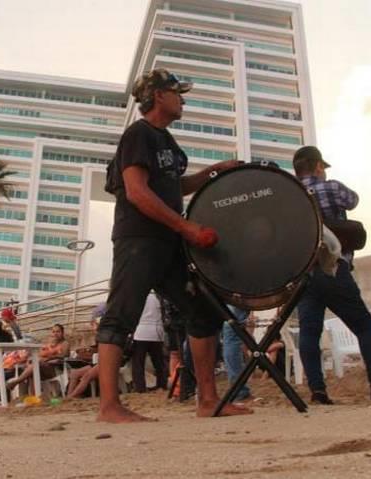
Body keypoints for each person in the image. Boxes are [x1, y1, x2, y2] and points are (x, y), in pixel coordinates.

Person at [96, 68, 247, 422]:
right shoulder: (139, 135)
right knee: (121, 316)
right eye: (177, 93)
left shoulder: (167, 141)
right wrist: (187, 227)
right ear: (159, 96)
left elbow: (173, 187)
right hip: (139, 239)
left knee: (203, 311)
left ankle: (208, 401)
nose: (183, 99)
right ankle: (109, 407)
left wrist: (215, 171)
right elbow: (137, 191)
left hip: (169, 241)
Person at [292, 146, 371, 404]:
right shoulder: (330, 187)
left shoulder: (289, 195)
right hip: (333, 267)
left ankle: (318, 391)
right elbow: (353, 200)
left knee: (309, 333)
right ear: (318, 166)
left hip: (304, 273)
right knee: (365, 326)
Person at [6, 324, 69, 392]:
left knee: (34, 366)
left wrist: (48, 358)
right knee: (28, 369)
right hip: (41, 367)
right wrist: (32, 359)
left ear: (62, 333)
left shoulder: (65, 344)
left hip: (54, 369)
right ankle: (28, 398)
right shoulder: (48, 344)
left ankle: (16, 382)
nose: (55, 334)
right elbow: (39, 354)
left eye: (58, 331)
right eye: (53, 332)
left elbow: (64, 356)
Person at [131, 292, 167, 393]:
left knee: (138, 363)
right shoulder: (158, 297)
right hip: (157, 332)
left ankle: (140, 387)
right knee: (159, 362)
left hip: (141, 332)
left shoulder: (137, 296)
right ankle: (162, 385)